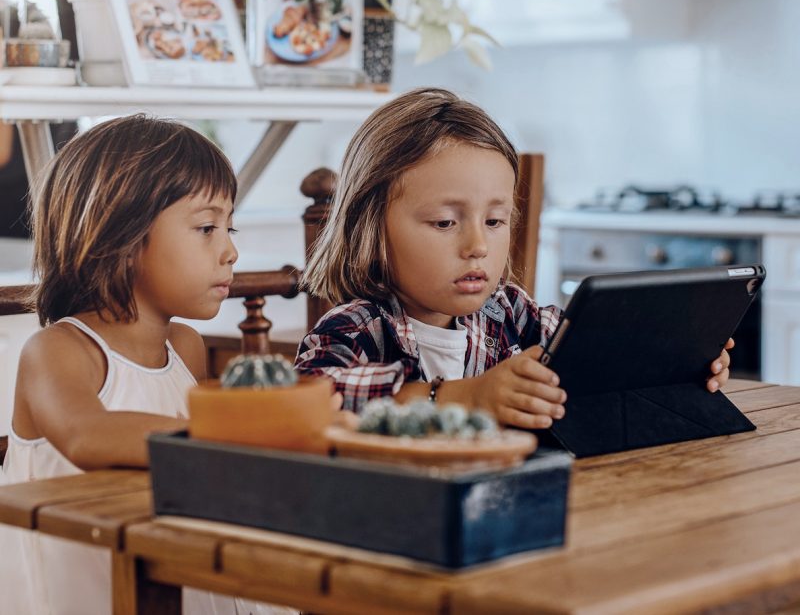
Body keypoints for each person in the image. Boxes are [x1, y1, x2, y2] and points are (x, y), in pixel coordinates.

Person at [295, 87, 734, 426]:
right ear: (370, 226)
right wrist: (469, 397)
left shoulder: (509, 314)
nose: (477, 246)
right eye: (446, 223)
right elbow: (310, 399)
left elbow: (598, 349)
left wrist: (679, 360)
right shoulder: (353, 329)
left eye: (495, 221)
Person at [0, 115, 291, 615]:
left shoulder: (185, 345)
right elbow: (87, 435)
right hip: (86, 593)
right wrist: (232, 435)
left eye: (229, 226)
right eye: (206, 228)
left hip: (168, 564)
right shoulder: (60, 350)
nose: (230, 250)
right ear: (123, 237)